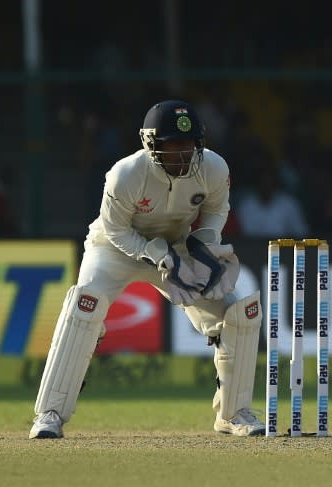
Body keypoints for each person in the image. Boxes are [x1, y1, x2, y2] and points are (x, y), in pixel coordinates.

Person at [29, 100, 265, 439]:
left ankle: (234, 413)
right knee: (85, 306)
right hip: (115, 249)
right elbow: (116, 230)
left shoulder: (213, 168)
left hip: (178, 248)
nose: (182, 155)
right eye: (173, 146)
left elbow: (215, 212)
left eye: (188, 146)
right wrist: (155, 254)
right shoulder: (125, 174)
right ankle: (50, 414)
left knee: (236, 313)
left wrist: (205, 249)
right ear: (151, 144)